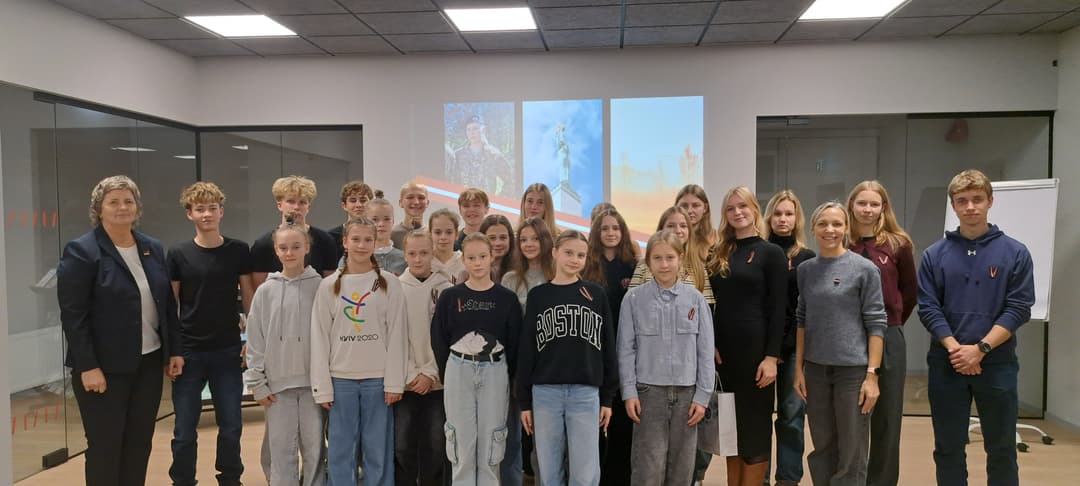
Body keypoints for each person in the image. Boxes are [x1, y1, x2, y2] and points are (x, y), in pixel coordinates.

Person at [57, 175, 182, 486]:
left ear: (137, 207)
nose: (122, 207)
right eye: (113, 202)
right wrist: (88, 365)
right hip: (103, 369)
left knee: (139, 443)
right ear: (99, 209)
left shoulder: (151, 247)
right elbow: (74, 315)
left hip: (148, 364)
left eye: (128, 201)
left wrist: (174, 350)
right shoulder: (82, 251)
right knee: (106, 447)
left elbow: (166, 304)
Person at [917, 169, 1034, 486]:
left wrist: (980, 349)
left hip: (997, 362)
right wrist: (956, 349)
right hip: (947, 362)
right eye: (962, 201)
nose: (970, 207)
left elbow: (1019, 308)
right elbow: (928, 307)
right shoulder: (934, 255)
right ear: (953, 205)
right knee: (948, 448)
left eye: (977, 199)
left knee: (1002, 448)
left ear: (990, 201)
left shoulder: (1015, 252)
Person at [793, 202, 887, 486]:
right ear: (813, 228)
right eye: (823, 224)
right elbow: (802, 319)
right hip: (815, 371)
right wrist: (798, 369)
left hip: (853, 373)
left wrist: (872, 375)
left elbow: (876, 323)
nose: (830, 230)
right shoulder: (806, 270)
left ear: (846, 228)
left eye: (836, 224)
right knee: (822, 445)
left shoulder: (865, 269)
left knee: (852, 449)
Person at [167, 181, 253, 486]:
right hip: (189, 351)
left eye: (212, 208)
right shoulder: (178, 253)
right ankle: (182, 481)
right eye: (200, 209)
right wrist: (173, 350)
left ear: (221, 212)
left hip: (227, 349)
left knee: (231, 425)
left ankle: (230, 479)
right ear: (189, 213)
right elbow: (171, 305)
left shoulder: (238, 250)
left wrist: (250, 339)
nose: (207, 214)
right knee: (184, 428)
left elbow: (248, 298)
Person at [311, 217, 408, 486]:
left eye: (368, 240)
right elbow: (319, 338)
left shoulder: (389, 283)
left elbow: (397, 335)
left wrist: (394, 382)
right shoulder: (328, 286)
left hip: (378, 380)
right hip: (340, 380)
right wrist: (322, 386)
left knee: (377, 449)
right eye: (355, 239)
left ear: (375, 243)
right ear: (345, 242)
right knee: (341, 450)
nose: (362, 245)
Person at [517, 230, 617, 486]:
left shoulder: (596, 294)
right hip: (545, 393)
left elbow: (608, 347)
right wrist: (524, 401)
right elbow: (527, 350)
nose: (574, 259)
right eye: (569, 253)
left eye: (580, 255)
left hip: (585, 393)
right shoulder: (539, 295)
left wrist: (607, 397)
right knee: (549, 472)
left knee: (585, 473)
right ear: (554, 253)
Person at [618, 230, 715, 486]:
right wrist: (629, 391)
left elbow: (705, 351)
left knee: (682, 468)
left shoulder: (696, 300)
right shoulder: (633, 299)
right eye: (657, 258)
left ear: (680, 258)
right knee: (648, 467)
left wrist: (703, 396)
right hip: (648, 394)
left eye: (670, 257)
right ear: (648, 262)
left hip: (687, 395)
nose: (664, 264)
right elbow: (625, 349)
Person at [705, 186, 787, 486]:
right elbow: (710, 304)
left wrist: (771, 358)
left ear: (754, 209)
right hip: (725, 358)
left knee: (754, 433)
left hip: (756, 357)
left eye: (743, 206)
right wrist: (711, 343)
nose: (737, 212)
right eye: (730, 208)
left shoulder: (771, 253)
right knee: (730, 434)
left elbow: (779, 309)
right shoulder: (717, 253)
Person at [431, 233, 524, 486]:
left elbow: (515, 341)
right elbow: (438, 337)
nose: (477, 262)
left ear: (491, 257)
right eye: (471, 258)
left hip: (494, 370)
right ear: (463, 260)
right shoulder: (450, 297)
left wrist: (509, 375)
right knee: (461, 439)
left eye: (482, 256)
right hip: (458, 369)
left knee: (492, 439)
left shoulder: (506, 298)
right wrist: (449, 372)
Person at [847, 180, 917, 486]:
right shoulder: (841, 242)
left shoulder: (898, 244)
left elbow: (909, 293)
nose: (867, 209)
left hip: (888, 336)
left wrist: (891, 323)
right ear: (851, 206)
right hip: (848, 338)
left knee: (887, 417)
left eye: (874, 204)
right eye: (861, 203)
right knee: (850, 418)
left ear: (883, 208)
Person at [244, 224, 326, 486]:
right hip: (277, 386)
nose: (290, 252)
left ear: (307, 248)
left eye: (296, 246)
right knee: (280, 449)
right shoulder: (265, 291)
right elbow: (255, 338)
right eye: (283, 247)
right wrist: (256, 381)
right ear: (276, 251)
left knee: (315, 448)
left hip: (314, 385)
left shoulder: (321, 287)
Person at [581, 207, 638, 486]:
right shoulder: (587, 266)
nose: (611, 233)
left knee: (622, 425)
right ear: (596, 232)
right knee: (594, 423)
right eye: (604, 228)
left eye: (616, 227)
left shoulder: (634, 265)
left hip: (626, 352)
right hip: (594, 352)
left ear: (623, 231)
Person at [762, 190, 816, 486]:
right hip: (762, 349)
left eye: (789, 214)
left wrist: (791, 347)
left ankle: (788, 479)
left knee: (792, 415)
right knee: (759, 418)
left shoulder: (807, 258)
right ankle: (759, 478)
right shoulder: (759, 252)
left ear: (797, 219)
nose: (783, 219)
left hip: (795, 348)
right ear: (769, 217)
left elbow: (807, 307)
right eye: (778, 213)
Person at [500, 216, 556, 483]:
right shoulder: (510, 279)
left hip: (551, 367)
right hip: (518, 366)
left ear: (546, 241)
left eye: (535, 238)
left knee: (547, 442)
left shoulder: (557, 275)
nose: (529, 244)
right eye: (523, 239)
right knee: (514, 435)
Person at [396, 230, 454, 486]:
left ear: (433, 253)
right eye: (412, 253)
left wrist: (430, 373)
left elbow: (448, 337)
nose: (418, 259)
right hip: (406, 382)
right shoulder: (396, 288)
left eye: (424, 253)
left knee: (436, 444)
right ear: (404, 255)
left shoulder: (446, 289)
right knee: (402, 444)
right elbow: (394, 337)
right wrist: (412, 373)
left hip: (437, 382)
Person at [250, 175, 338, 288]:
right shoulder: (263, 244)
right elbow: (260, 289)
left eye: (302, 202)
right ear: (279, 205)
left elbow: (330, 286)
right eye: (291, 201)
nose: (296, 207)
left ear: (308, 207)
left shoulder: (325, 240)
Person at [629, 206, 714, 306]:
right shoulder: (644, 265)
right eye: (671, 226)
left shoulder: (698, 267)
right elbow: (631, 302)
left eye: (683, 226)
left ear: (689, 231)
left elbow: (707, 307)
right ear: (661, 229)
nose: (678, 230)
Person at [449, 115, 515, 197]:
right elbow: (452, 181)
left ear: (483, 130)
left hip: (486, 203)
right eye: (468, 129)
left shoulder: (493, 154)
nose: (471, 133)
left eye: (475, 128)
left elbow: (510, 180)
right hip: (465, 202)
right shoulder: (458, 155)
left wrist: (499, 199)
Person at [328, 180, 375, 262]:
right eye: (353, 200)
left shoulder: (377, 233)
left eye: (363, 200)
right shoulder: (331, 237)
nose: (358, 205)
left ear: (371, 204)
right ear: (344, 205)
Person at [675, 184, 716, 263]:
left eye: (695, 205)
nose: (689, 211)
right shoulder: (667, 238)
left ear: (705, 208)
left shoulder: (719, 238)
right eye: (684, 206)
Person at [368, 197, 408, 275]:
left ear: (393, 221)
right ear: (366, 222)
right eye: (375, 219)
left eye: (386, 219)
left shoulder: (405, 259)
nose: (381, 224)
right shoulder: (356, 257)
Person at [391, 180, 430, 250]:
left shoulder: (432, 235)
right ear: (400, 203)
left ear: (427, 203)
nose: (416, 202)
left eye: (421, 198)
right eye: (410, 197)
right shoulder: (391, 235)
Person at [430, 208, 466, 284]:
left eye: (449, 232)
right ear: (430, 234)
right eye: (437, 232)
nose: (443, 237)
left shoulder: (464, 261)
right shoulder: (425, 262)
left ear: (456, 234)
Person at [480, 214, 516, 283]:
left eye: (503, 237)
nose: (498, 243)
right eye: (492, 238)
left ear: (510, 239)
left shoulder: (520, 270)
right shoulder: (470, 271)